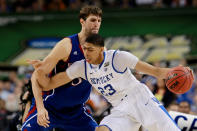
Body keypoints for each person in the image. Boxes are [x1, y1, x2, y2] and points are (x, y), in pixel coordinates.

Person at [30, 34, 188, 131]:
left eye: (90, 49)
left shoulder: (118, 57)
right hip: (121, 108)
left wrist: (181, 71)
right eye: (84, 49)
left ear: (101, 49)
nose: (86, 53)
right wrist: (41, 70)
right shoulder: (82, 67)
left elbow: (156, 71)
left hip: (140, 100)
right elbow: (48, 84)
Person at [22, 5, 102, 131]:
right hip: (50, 108)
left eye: (99, 21)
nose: (97, 24)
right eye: (93, 20)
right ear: (82, 21)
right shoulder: (66, 46)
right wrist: (41, 108)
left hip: (76, 112)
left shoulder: (100, 50)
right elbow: (36, 76)